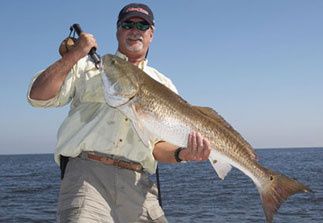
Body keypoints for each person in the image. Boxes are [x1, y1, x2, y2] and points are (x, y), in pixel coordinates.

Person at [27, 3, 211, 223]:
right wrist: (74, 55)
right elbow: (37, 96)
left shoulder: (164, 84)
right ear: (118, 31)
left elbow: (157, 147)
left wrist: (184, 154)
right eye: (128, 24)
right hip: (87, 177)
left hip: (138, 184)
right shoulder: (84, 67)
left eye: (142, 25)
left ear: (151, 34)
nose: (135, 30)